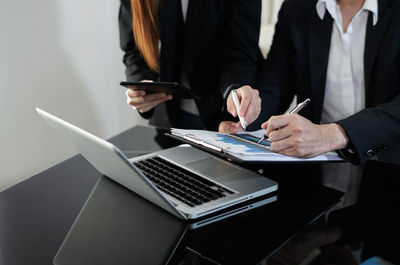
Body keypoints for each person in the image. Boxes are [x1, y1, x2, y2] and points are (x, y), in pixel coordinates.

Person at [221, 0, 400, 165]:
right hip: (313, 166)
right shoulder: (297, 8)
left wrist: (336, 134)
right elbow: (274, 89)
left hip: (387, 166)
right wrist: (247, 116)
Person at [119, 0, 262, 130]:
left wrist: (235, 90)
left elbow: (239, 49)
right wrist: (141, 85)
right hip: (168, 113)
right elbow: (134, 48)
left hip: (222, 114)